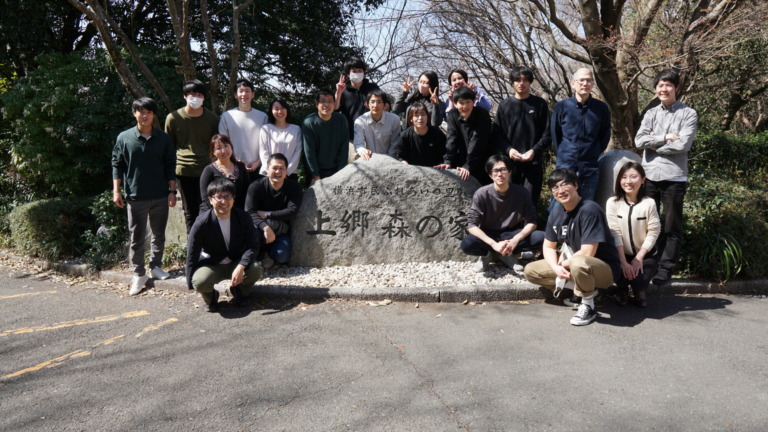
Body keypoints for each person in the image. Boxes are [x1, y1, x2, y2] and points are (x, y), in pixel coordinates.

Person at [524, 168, 621, 326]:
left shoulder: (589, 209)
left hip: (604, 269)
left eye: (564, 185)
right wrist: (555, 267)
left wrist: (562, 264)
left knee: (578, 262)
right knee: (531, 271)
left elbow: (588, 252)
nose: (560, 191)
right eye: (555, 187)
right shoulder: (556, 212)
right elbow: (548, 247)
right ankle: (588, 291)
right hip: (575, 265)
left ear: (576, 185)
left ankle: (588, 305)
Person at [635, 68, 698, 286]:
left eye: (668, 85)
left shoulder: (688, 113)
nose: (664, 89)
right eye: (660, 85)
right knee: (646, 224)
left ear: (676, 88)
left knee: (672, 226)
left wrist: (654, 144)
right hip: (650, 175)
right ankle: (647, 265)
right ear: (655, 89)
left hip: (674, 177)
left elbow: (683, 145)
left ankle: (665, 269)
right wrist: (666, 137)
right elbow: (639, 141)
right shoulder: (651, 113)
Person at [112, 97, 177, 296]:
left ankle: (155, 266)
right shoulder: (124, 137)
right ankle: (138, 274)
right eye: (141, 111)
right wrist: (116, 190)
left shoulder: (163, 138)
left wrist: (172, 191)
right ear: (135, 113)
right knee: (137, 237)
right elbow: (117, 164)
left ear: (153, 114)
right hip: (135, 195)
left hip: (160, 195)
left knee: (159, 233)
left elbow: (170, 166)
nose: (145, 115)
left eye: (149, 112)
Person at [186, 178, 262, 312]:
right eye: (218, 197)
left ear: (233, 199)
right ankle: (211, 298)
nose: (223, 201)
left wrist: (241, 266)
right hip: (213, 263)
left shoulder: (243, 217)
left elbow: (253, 245)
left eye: (227, 196)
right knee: (200, 281)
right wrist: (191, 283)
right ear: (210, 200)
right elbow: (192, 253)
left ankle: (239, 292)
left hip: (236, 261)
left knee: (255, 269)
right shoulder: (201, 222)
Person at [461, 155, 544, 272]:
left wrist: (515, 240)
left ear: (509, 172)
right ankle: (487, 255)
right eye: (495, 171)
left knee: (541, 237)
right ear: (490, 175)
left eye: (503, 169)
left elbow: (532, 222)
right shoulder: (482, 193)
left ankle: (507, 254)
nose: (500, 174)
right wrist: (493, 244)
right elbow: (472, 225)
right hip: (489, 234)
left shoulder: (521, 193)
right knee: (468, 243)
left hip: (511, 234)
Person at [493, 66, 551, 208]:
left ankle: (529, 223)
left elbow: (548, 134)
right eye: (517, 80)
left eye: (525, 80)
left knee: (530, 202)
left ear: (530, 82)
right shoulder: (505, 105)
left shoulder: (540, 104)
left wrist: (534, 151)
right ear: (512, 82)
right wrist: (509, 150)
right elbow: (496, 134)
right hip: (510, 163)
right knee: (509, 202)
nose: (521, 83)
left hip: (534, 162)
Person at [165, 79, 219, 232]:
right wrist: (170, 180)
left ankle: (208, 243)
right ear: (185, 96)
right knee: (190, 211)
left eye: (199, 94)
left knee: (209, 208)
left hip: (207, 170)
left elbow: (216, 145)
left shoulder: (212, 119)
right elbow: (168, 148)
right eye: (192, 94)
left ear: (204, 97)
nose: (196, 97)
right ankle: (193, 242)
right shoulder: (173, 118)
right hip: (184, 171)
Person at [551, 68, 611, 202]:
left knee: (586, 205)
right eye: (581, 80)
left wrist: (594, 152)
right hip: (566, 163)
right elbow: (555, 134)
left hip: (590, 165)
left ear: (593, 83)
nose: (585, 83)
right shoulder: (562, 106)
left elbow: (604, 135)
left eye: (589, 80)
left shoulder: (601, 108)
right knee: (559, 204)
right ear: (573, 83)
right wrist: (564, 153)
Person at [606, 161, 661, 307]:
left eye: (633, 177)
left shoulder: (649, 203)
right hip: (620, 253)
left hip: (644, 254)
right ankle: (621, 289)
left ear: (643, 180)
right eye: (624, 177)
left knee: (639, 280)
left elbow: (654, 231)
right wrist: (623, 261)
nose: (628, 181)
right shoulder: (613, 202)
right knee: (620, 274)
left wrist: (638, 258)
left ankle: (639, 290)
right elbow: (615, 232)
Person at [245, 153, 303, 269]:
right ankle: (260, 255)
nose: (278, 172)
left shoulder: (294, 187)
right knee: (252, 233)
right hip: (260, 227)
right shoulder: (256, 186)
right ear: (267, 169)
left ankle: (269, 253)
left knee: (282, 256)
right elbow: (249, 212)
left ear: (286, 170)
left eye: (281, 168)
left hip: (280, 230)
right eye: (274, 168)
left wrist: (267, 214)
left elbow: (292, 211)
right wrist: (266, 227)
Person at [396, 103, 470, 180]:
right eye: (416, 115)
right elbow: (400, 156)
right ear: (410, 119)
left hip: (437, 172)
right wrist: (406, 165)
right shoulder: (405, 136)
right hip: (414, 174)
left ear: (427, 116)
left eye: (423, 114)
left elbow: (445, 153)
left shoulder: (436, 133)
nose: (420, 118)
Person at [218, 79, 268, 182]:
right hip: (233, 166)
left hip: (258, 168)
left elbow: (267, 144)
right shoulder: (227, 116)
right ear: (235, 95)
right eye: (241, 91)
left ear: (253, 94)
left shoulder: (262, 117)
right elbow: (223, 142)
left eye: (247, 91)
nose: (244, 94)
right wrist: (236, 162)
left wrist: (258, 162)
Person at [445, 86, 493, 185]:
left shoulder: (482, 114)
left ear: (474, 101)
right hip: (463, 158)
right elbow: (451, 138)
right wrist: (448, 161)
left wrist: (468, 165)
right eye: (461, 103)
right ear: (455, 104)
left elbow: (477, 140)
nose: (465, 106)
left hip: (482, 158)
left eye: (468, 102)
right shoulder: (453, 115)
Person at [301, 90, 349, 185]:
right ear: (317, 104)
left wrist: (341, 172)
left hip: (336, 169)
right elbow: (309, 152)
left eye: (330, 101)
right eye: (323, 101)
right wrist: (315, 175)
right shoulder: (309, 122)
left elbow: (344, 148)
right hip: (316, 171)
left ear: (334, 104)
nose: (326, 104)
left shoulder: (341, 120)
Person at [199, 134, 249, 211]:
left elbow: (247, 191)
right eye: (218, 148)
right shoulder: (209, 170)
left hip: (240, 211)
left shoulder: (241, 166)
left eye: (226, 146)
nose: (223, 151)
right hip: (217, 211)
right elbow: (205, 198)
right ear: (213, 152)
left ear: (231, 147)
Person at [334, 56, 381, 138]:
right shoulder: (343, 90)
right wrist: (338, 93)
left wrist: (375, 107)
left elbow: (386, 106)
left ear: (364, 73)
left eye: (360, 71)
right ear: (348, 73)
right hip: (350, 137)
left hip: (371, 136)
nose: (357, 73)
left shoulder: (373, 88)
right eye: (354, 71)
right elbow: (335, 109)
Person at [258, 98, 302, 180]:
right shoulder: (266, 129)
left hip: (290, 174)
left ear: (287, 110)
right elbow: (263, 152)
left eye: (282, 108)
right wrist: (271, 170)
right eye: (276, 109)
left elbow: (297, 152)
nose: (280, 111)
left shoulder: (296, 129)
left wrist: (286, 171)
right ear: (271, 111)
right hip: (269, 174)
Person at [353, 89, 402, 160]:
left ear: (384, 105)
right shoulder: (360, 121)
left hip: (390, 159)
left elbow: (394, 144)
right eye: (372, 102)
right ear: (367, 105)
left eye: (379, 102)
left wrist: (388, 160)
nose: (375, 105)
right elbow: (358, 143)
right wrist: (363, 151)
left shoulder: (394, 120)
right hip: (369, 159)